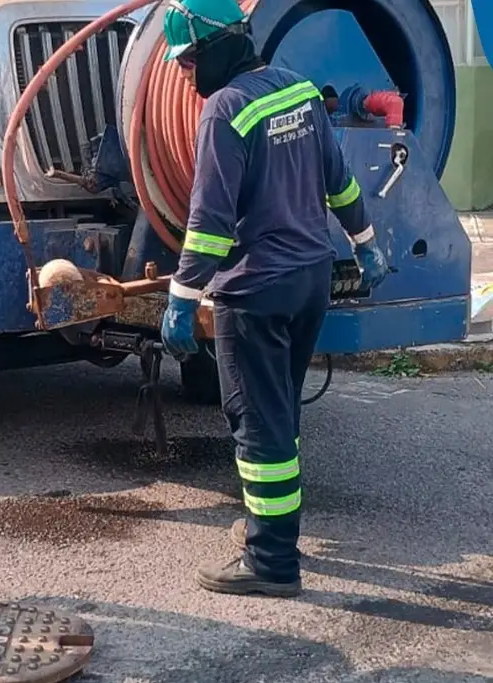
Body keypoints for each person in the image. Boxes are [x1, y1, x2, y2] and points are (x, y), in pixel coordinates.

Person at [158, 0, 389, 597]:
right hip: (309, 279)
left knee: (258, 427)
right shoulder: (301, 92)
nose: (183, 74)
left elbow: (209, 222)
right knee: (280, 412)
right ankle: (270, 525)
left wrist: (182, 297)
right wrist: (365, 246)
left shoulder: (226, 110)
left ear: (217, 48)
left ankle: (271, 563)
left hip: (255, 290)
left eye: (187, 61)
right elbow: (340, 183)